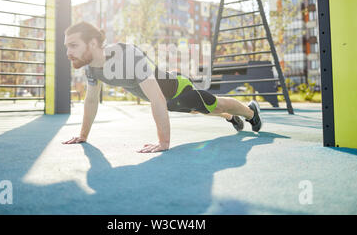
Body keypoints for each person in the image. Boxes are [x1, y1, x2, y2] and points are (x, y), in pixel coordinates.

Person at [62, 22, 262, 153]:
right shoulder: (91, 68)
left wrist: (164, 142)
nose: (68, 52)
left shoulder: (126, 55)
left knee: (213, 105)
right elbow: (91, 100)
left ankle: (250, 112)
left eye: (73, 45)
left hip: (180, 90)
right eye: (67, 47)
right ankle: (230, 117)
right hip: (168, 102)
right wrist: (83, 135)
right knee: (197, 111)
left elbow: (157, 97)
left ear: (94, 43)